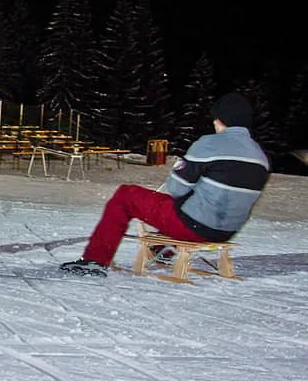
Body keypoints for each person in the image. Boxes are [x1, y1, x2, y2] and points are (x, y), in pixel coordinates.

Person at [61, 92, 271, 277]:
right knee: (185, 206)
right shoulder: (260, 156)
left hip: (194, 227)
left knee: (126, 195)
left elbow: (176, 189)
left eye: (215, 119)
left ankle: (95, 260)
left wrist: (181, 173)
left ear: (222, 120)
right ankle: (162, 250)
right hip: (226, 231)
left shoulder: (210, 144)